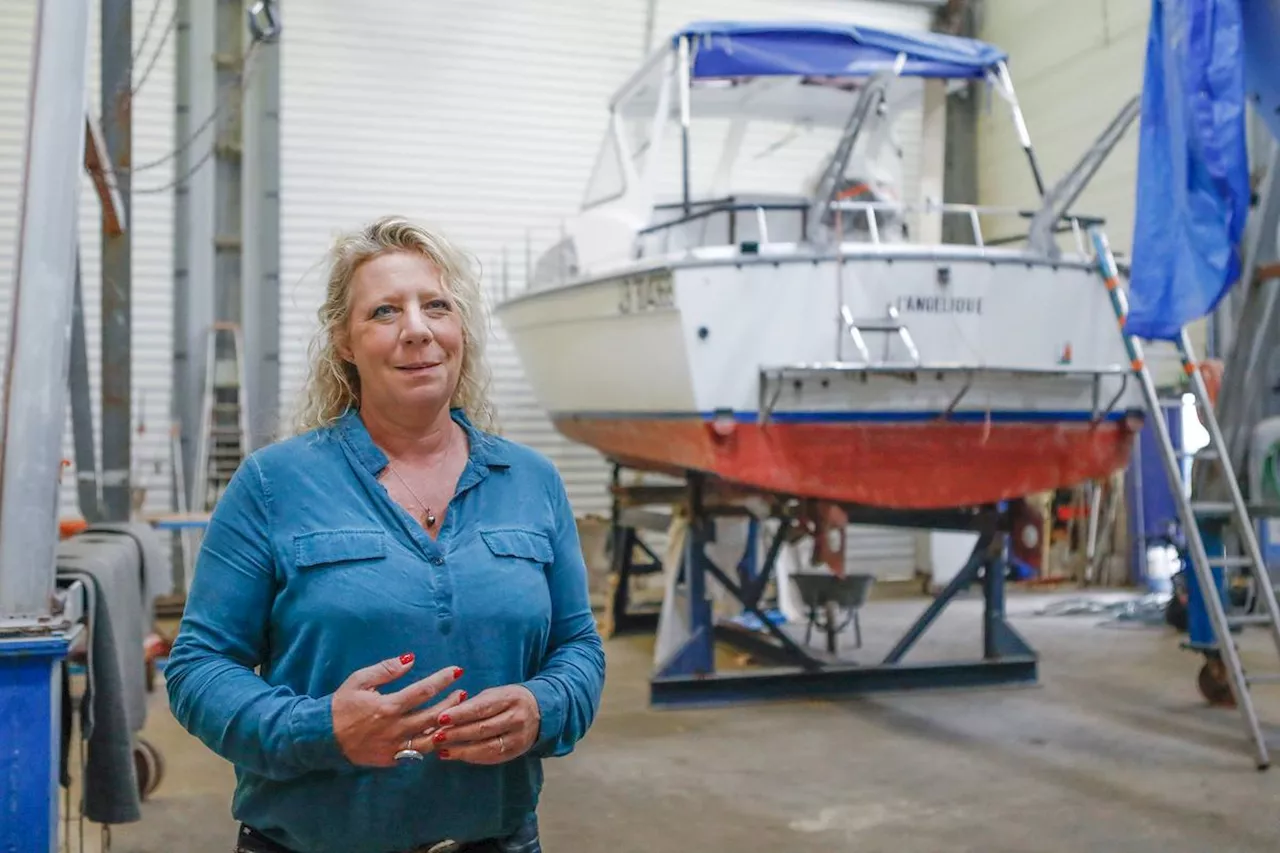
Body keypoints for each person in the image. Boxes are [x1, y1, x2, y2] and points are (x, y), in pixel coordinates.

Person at [164, 215, 607, 853]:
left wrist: (546, 706)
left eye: (436, 306)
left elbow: (578, 645)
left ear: (460, 330)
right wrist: (318, 728)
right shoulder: (272, 485)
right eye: (384, 313)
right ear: (345, 342)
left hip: (497, 841)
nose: (418, 330)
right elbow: (199, 667)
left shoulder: (531, 481)